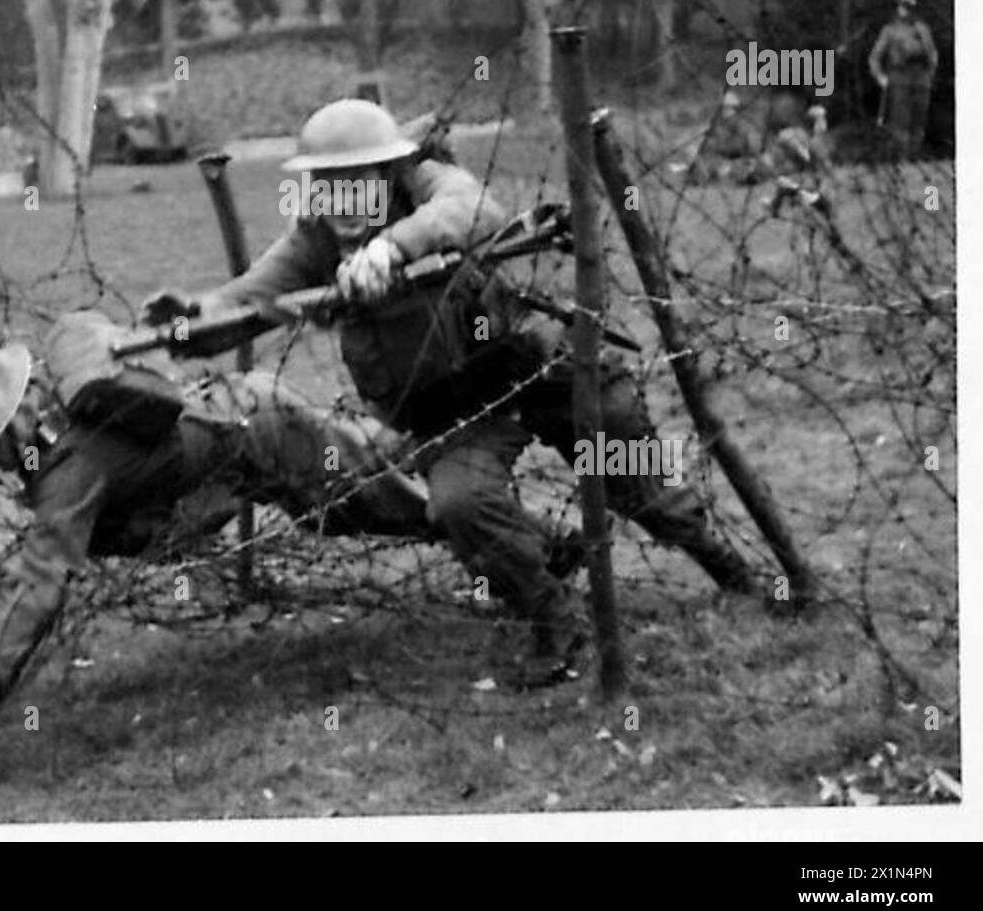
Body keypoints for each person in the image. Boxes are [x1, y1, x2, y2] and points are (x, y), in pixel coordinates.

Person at [144, 100, 757, 686]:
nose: (343, 200)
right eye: (327, 184)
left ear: (388, 170)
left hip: (538, 363)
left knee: (636, 483)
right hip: (456, 409)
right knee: (460, 505)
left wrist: (391, 247)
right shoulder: (315, 240)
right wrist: (189, 318)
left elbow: (474, 208)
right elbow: (252, 299)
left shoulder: (430, 187)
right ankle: (552, 616)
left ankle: (730, 569)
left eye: (358, 180)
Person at [0, 312, 434, 779]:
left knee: (392, 512)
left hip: (264, 435)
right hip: (239, 419)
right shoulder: (30, 392)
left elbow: (40, 592)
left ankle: (508, 522)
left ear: (5, 435)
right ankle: (431, 445)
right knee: (369, 479)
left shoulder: (69, 473)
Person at [868, 0, 938, 159]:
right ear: (897, 8)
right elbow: (874, 57)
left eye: (909, 7)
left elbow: (932, 54)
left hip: (920, 78)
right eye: (903, 7)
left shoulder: (922, 29)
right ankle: (902, 159)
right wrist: (880, 77)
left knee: (919, 119)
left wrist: (930, 75)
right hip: (899, 77)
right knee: (900, 121)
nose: (906, 11)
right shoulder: (889, 30)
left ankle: (915, 157)